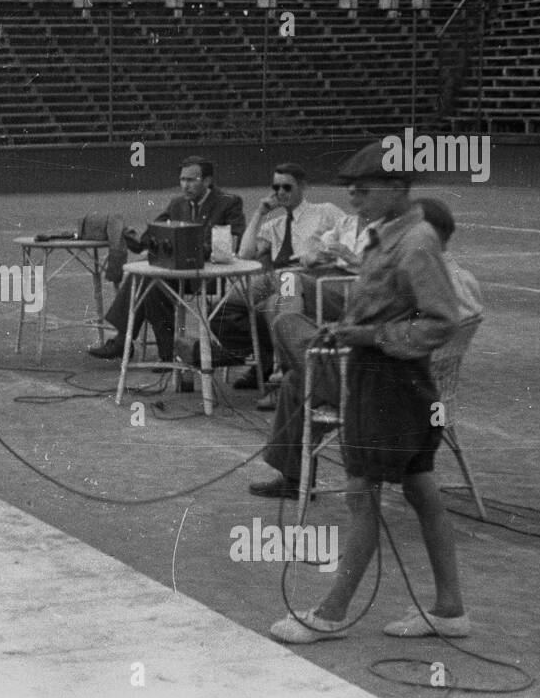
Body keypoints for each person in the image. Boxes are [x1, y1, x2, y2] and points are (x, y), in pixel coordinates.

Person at [265, 145, 468, 644]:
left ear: (399, 188)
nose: (354, 193)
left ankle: (332, 613)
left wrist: (373, 338)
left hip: (391, 383)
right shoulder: (386, 235)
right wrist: (350, 328)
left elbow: (443, 319)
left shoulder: (417, 241)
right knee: (420, 489)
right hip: (388, 378)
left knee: (362, 496)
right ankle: (449, 609)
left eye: (367, 185)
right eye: (350, 186)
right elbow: (386, 307)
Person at [250, 193, 482, 500]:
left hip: (382, 385)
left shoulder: (426, 277)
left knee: (286, 324)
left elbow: (403, 332)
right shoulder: (459, 277)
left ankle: (294, 469)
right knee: (298, 376)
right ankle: (293, 472)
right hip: (429, 385)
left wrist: (361, 334)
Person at [88, 157, 244, 362]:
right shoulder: (177, 203)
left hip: (209, 274)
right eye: (182, 179)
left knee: (150, 282)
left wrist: (188, 250)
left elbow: (235, 239)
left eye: (191, 180)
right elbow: (153, 232)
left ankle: (130, 344)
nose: (185, 185)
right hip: (176, 272)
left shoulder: (228, 202)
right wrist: (132, 239)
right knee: (147, 280)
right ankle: (162, 352)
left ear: (207, 181)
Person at [228, 163, 345, 389]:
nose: (281, 192)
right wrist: (259, 213)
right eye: (276, 187)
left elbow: (351, 236)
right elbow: (244, 254)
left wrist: (322, 253)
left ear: (303, 187)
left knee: (279, 292)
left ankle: (282, 370)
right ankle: (279, 368)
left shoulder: (325, 212)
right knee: (249, 303)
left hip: (311, 283)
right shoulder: (275, 225)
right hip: (281, 286)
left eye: (287, 187)